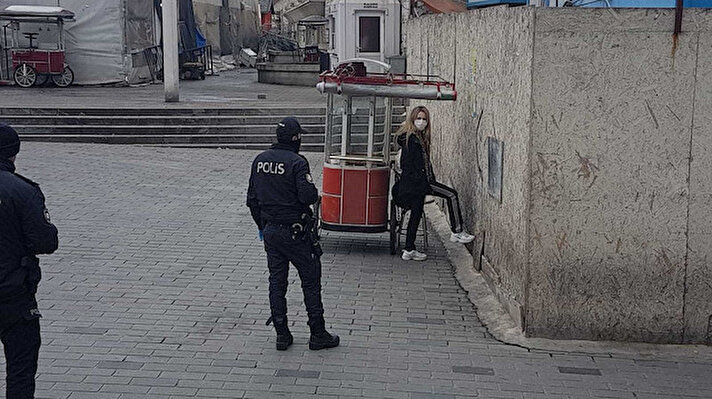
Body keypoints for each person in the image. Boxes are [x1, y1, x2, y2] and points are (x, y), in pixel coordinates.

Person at [246, 117, 339, 351]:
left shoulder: (260, 161)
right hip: (295, 232)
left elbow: (251, 200)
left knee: (277, 282)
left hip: (271, 231)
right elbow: (307, 197)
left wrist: (262, 226)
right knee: (310, 280)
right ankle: (317, 333)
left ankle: (282, 334)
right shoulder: (297, 162)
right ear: (296, 139)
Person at [0, 123, 59, 398]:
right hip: (12, 294)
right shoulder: (23, 191)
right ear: (14, 153)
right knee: (21, 370)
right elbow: (45, 242)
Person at [395, 106, 475, 261]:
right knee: (451, 194)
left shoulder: (416, 138)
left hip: (414, 185)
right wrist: (423, 180)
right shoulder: (411, 139)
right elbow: (409, 164)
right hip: (419, 183)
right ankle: (457, 232)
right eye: (419, 118)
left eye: (424, 119)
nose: (422, 122)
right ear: (412, 119)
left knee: (416, 214)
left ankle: (409, 249)